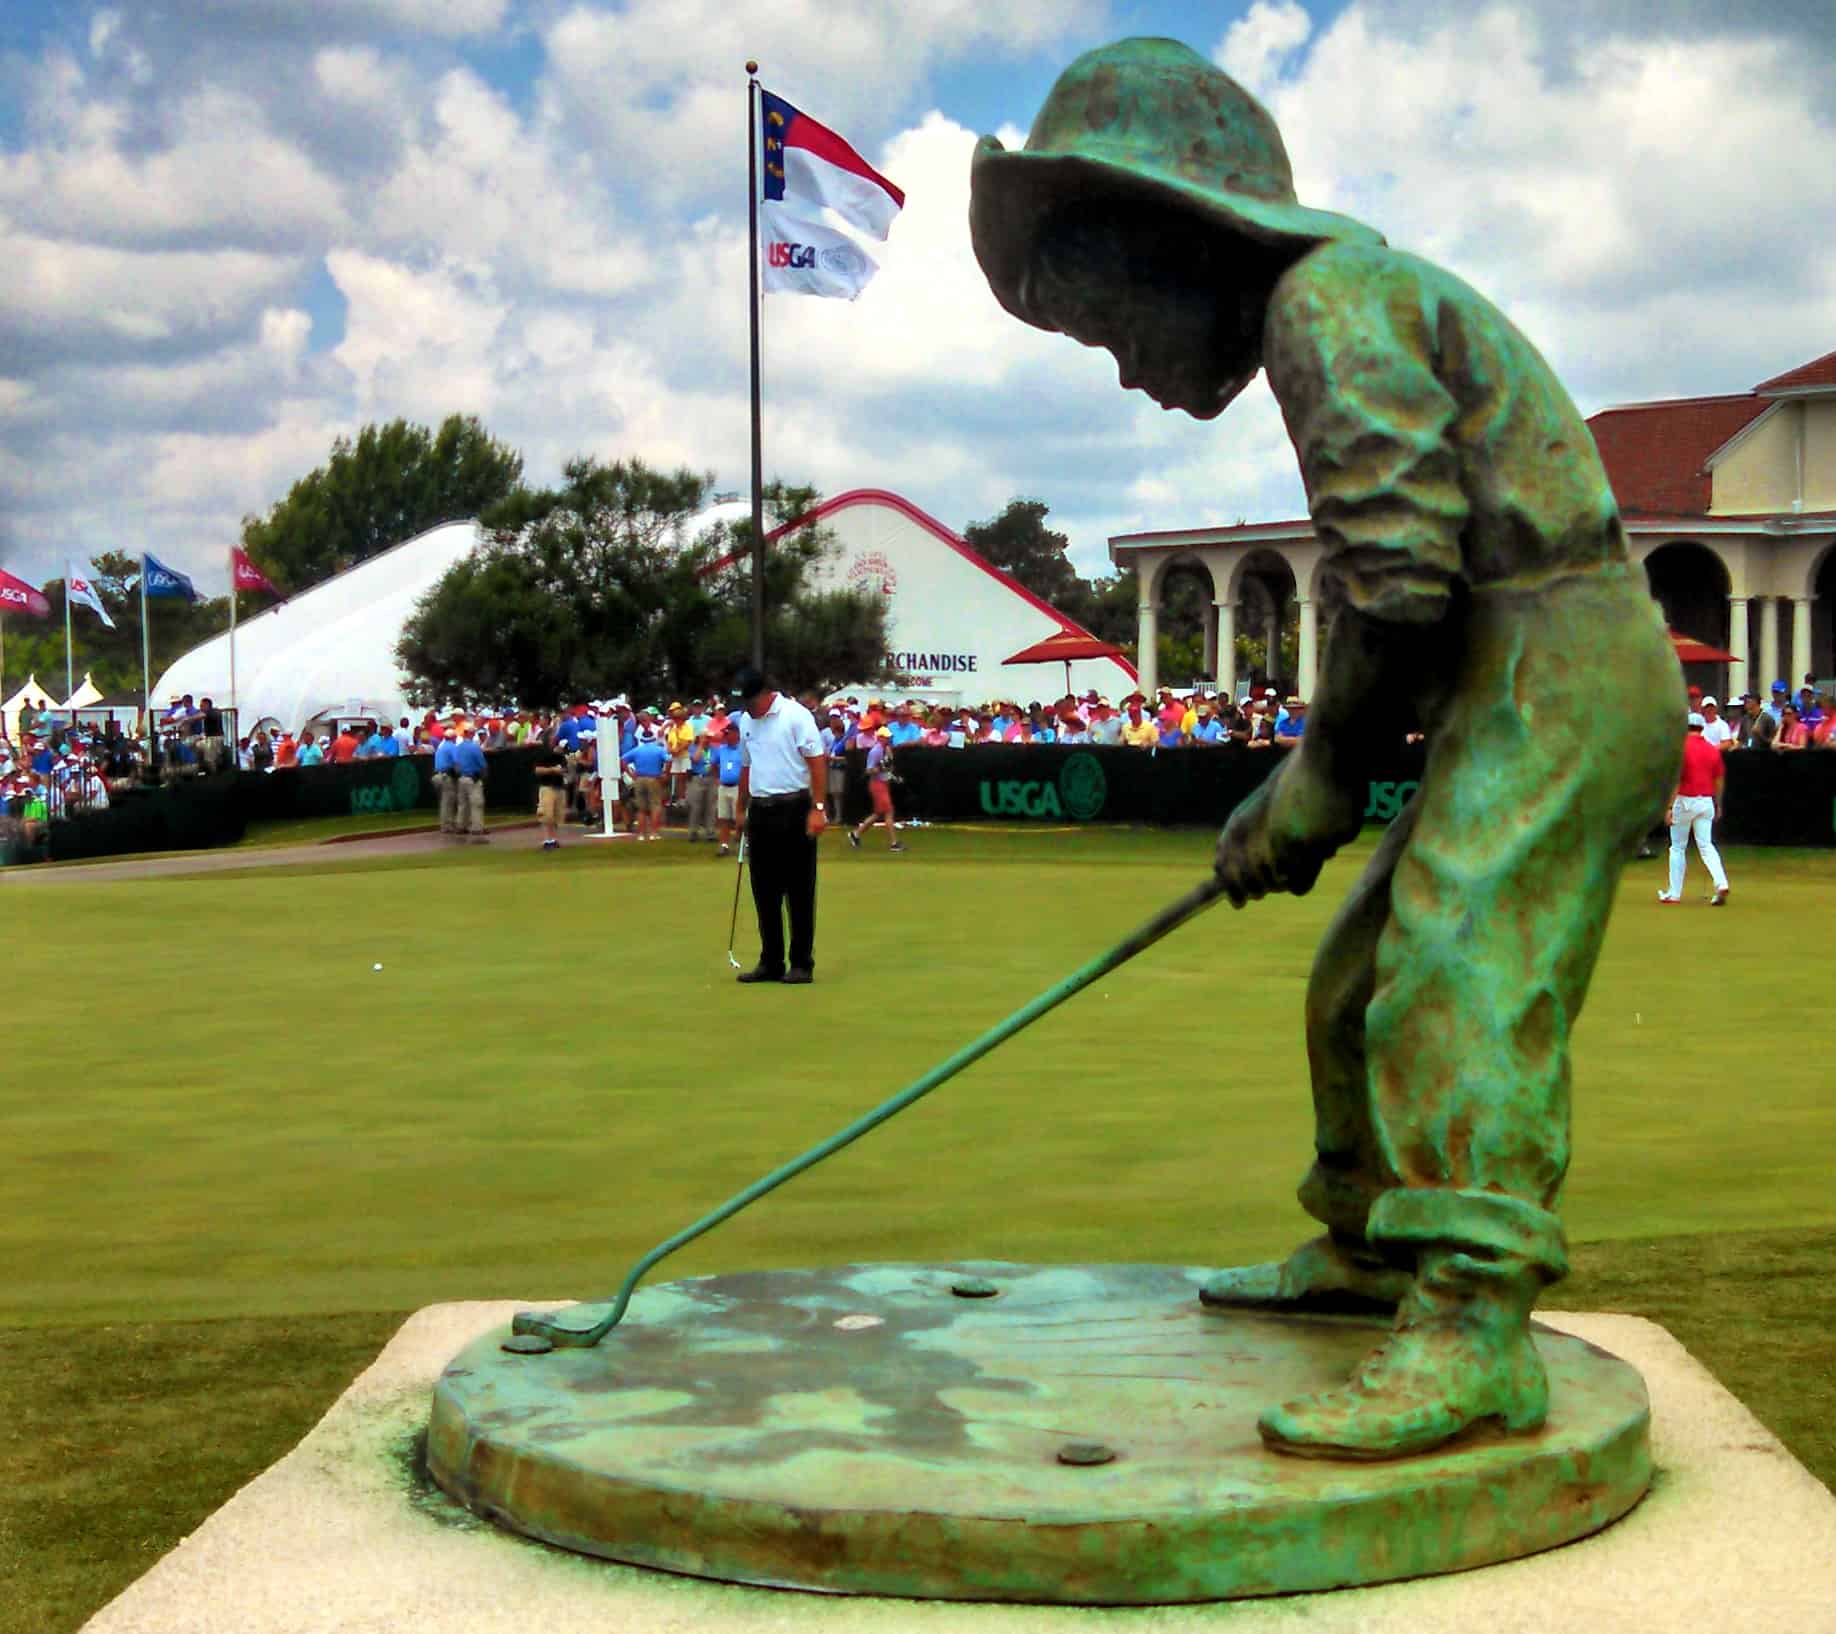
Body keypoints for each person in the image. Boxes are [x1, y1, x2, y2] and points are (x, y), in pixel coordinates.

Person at [971, 36, 1680, 1460]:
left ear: (1180, 242)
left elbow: (1396, 583)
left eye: (1116, 328)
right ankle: (1367, 1251)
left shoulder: (1327, 302)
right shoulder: (1334, 299)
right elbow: (1396, 593)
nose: (1125, 372)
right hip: (1515, 664)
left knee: (1453, 969)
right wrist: (1316, 764)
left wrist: (1327, 770)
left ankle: (1475, 1326)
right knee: (1358, 980)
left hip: (1564, 661)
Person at [731, 664, 826, 984]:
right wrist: (741, 808)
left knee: (799, 889)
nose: (746, 709)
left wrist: (818, 808)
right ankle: (770, 961)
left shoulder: (795, 715)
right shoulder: (747, 721)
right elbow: (747, 766)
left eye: (749, 701)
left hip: (795, 808)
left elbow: (817, 762)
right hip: (761, 811)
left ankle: (801, 963)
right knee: (764, 890)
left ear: (763, 694)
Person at [1660, 712, 1729, 906]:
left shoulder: (1680, 749)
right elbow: (1719, 779)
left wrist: (1669, 807)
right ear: (1701, 728)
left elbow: (1676, 780)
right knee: (1706, 846)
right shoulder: (1711, 749)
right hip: (1706, 801)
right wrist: (1718, 803)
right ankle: (1721, 882)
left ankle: (1674, 893)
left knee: (1678, 847)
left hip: (1685, 800)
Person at [848, 727, 905, 852]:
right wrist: (881, 767)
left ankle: (856, 834)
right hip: (877, 784)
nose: (889, 739)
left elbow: (888, 768)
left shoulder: (887, 749)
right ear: (880, 738)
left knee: (878, 813)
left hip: (883, 783)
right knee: (889, 812)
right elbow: (869, 770)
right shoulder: (875, 751)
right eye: (886, 737)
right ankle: (894, 843)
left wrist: (894, 777)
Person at [621, 722, 670, 840]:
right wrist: (665, 773)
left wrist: (630, 773)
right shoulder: (659, 750)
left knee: (641, 808)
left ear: (642, 739)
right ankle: (654, 833)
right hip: (654, 778)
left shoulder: (637, 750)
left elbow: (622, 760)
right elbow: (669, 760)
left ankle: (641, 834)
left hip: (639, 779)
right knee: (655, 805)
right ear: (653, 738)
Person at [712, 719, 746, 855]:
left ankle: (744, 843)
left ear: (736, 734)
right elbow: (714, 765)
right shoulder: (721, 749)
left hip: (738, 787)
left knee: (740, 818)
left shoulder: (743, 749)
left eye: (728, 733)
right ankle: (724, 844)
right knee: (724, 818)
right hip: (724, 787)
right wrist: (718, 778)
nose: (726, 736)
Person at [451, 723, 488, 841]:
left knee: (462, 804)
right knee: (476, 803)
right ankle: (477, 827)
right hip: (473, 778)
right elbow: (482, 764)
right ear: (471, 733)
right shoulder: (475, 747)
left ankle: (461, 825)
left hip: (461, 777)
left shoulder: (458, 747)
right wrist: (483, 774)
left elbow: (455, 764)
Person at [532, 730, 567, 849]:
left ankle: (554, 839)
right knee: (547, 814)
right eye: (552, 737)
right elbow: (537, 770)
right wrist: (552, 770)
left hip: (559, 786)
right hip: (547, 786)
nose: (554, 739)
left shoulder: (560, 754)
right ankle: (547, 839)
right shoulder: (542, 753)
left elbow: (565, 768)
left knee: (557, 815)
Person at [684, 728, 717, 842]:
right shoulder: (693, 748)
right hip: (697, 778)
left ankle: (710, 832)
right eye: (705, 737)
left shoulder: (714, 749)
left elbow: (716, 763)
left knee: (711, 807)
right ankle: (693, 831)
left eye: (709, 737)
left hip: (711, 779)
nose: (707, 740)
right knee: (696, 806)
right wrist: (701, 745)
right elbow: (695, 759)